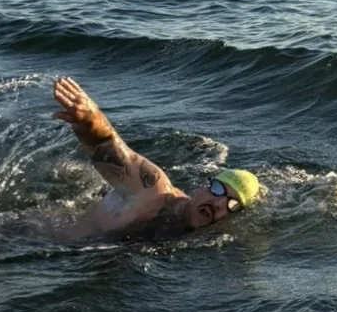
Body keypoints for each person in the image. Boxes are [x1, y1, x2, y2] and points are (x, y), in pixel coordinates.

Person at [52, 76, 260, 239]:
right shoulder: (152, 189)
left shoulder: (196, 238)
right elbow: (107, 146)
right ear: (200, 188)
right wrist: (91, 119)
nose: (218, 204)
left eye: (232, 204)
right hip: (40, 237)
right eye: (218, 190)